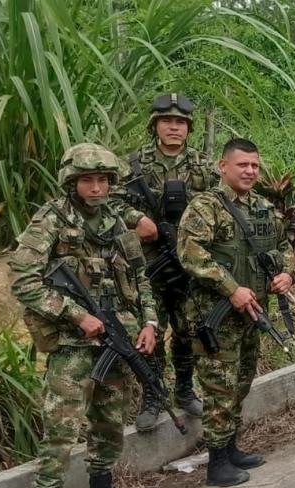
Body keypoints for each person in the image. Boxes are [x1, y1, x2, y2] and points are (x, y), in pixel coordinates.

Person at [9, 143, 158, 488]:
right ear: (72, 183)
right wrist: (75, 315)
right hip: (73, 344)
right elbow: (23, 280)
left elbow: (141, 277)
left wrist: (150, 322)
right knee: (61, 432)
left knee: (110, 421)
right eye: (88, 181)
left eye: (103, 181)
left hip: (115, 337)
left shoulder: (115, 220)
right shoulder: (52, 219)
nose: (96, 188)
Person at [176, 138, 293, 488]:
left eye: (255, 165)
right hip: (217, 316)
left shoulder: (263, 208)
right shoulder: (205, 207)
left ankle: (230, 448)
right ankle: (216, 462)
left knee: (241, 383)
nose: (250, 171)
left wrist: (287, 273)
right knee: (219, 389)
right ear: (223, 166)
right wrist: (231, 288)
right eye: (243, 165)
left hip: (252, 313)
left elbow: (284, 247)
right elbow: (191, 254)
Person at [113, 93, 217, 432]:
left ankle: (185, 389)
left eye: (181, 123)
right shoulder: (133, 165)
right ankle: (153, 394)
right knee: (151, 327)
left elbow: (221, 202)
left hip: (189, 259)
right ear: (154, 125)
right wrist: (136, 218)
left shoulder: (203, 165)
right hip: (148, 263)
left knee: (188, 327)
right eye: (167, 122)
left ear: (189, 128)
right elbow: (108, 201)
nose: (174, 128)